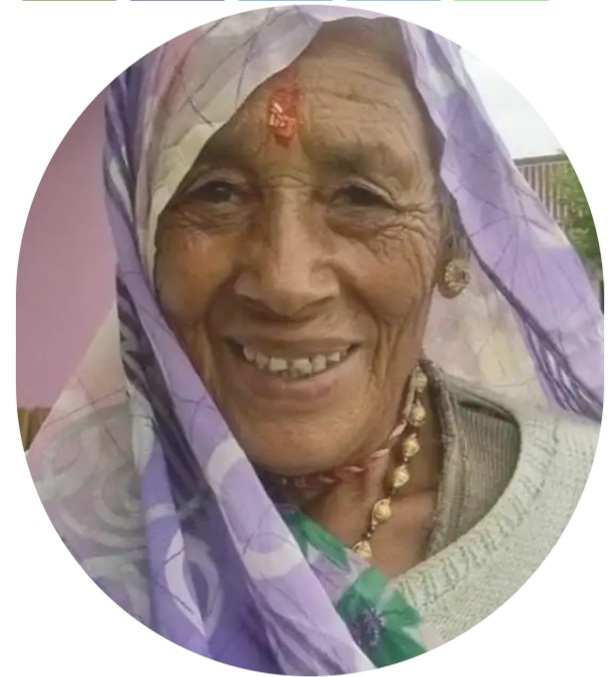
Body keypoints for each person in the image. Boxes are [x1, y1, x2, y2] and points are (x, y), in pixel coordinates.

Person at [26, 7, 602, 674]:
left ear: (450, 239)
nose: (285, 282)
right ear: (144, 245)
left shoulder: (579, 503)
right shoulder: (62, 523)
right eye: (216, 193)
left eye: (361, 197)